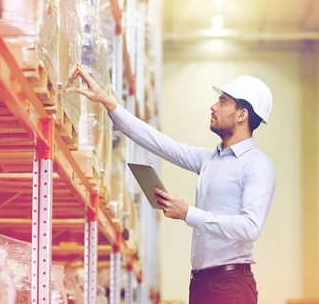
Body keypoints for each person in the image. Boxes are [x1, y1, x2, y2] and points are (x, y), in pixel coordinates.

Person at [68, 65, 276, 304]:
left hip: (231, 285)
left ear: (242, 115)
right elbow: (161, 143)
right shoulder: (210, 159)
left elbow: (251, 227)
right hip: (200, 283)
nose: (213, 106)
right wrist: (108, 102)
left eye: (223, 101)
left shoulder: (258, 166)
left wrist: (188, 213)